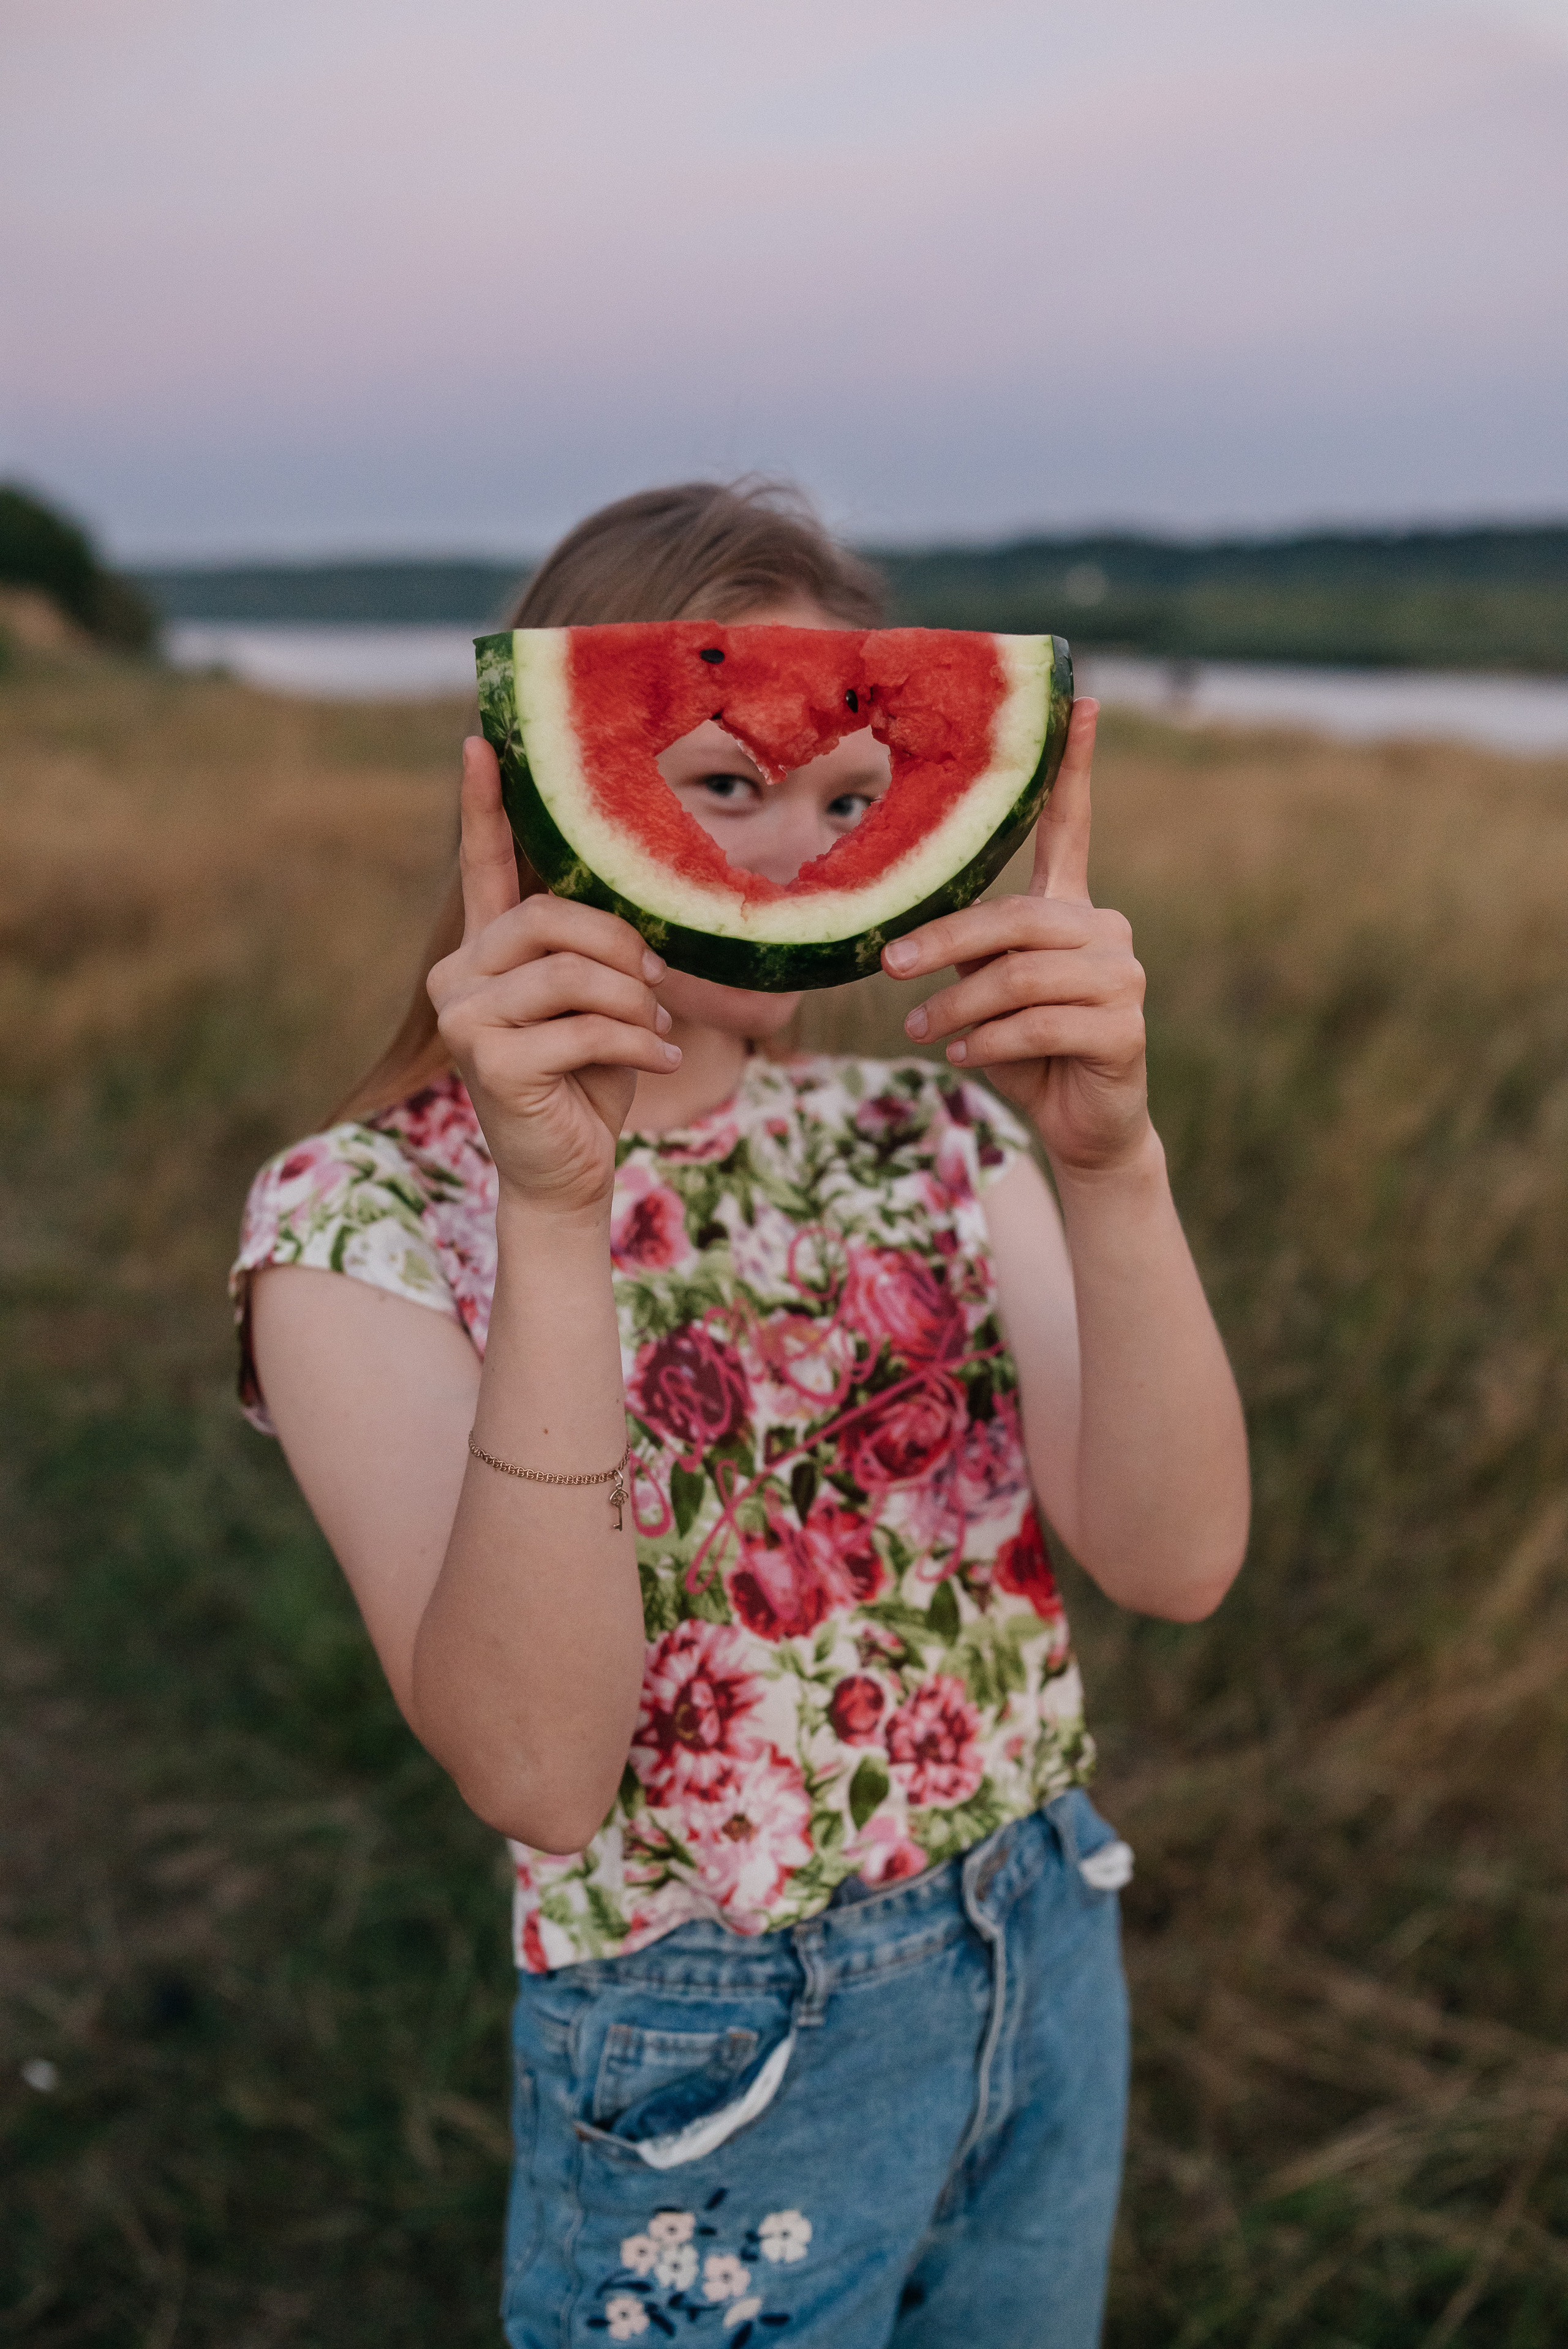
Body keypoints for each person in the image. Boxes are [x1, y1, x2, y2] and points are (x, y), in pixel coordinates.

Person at [233, 480, 1249, 2348]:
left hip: (1042, 1944)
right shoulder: (361, 1216)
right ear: (543, 794)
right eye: (721, 782)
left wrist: (1114, 1166)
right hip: (713, 2056)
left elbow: (1177, 1560)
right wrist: (557, 1212)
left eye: (854, 799)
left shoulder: (922, 1129)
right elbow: (539, 1769)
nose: (799, 849)